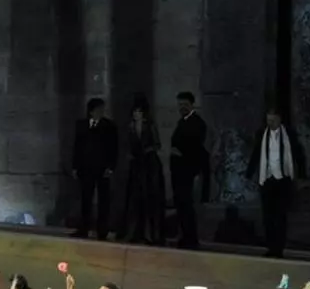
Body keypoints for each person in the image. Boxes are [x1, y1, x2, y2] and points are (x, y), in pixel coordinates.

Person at [245, 107, 305, 258]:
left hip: (283, 180)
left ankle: (279, 247)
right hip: (267, 179)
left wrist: (302, 173)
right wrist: (249, 173)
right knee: (268, 216)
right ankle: (271, 246)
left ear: (279, 119)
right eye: (268, 120)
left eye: (272, 120)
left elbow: (298, 152)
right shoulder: (262, 134)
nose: (270, 123)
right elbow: (256, 153)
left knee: (280, 215)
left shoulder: (289, 134)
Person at [71, 97, 118, 239]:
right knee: (86, 199)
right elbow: (77, 147)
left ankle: (102, 230)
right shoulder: (81, 125)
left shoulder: (109, 126)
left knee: (104, 200)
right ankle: (84, 228)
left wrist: (111, 167)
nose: (101, 112)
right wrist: (75, 167)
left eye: (102, 109)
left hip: (102, 168)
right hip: (86, 168)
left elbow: (114, 148)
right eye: (98, 109)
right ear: (91, 111)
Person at [121, 96, 165, 244]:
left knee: (150, 199)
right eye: (135, 111)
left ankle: (151, 234)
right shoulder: (130, 127)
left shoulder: (150, 125)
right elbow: (128, 145)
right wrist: (130, 154)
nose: (136, 114)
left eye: (139, 111)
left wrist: (147, 150)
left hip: (150, 166)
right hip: (136, 166)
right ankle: (134, 233)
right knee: (134, 199)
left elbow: (157, 144)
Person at [170, 91, 208, 249]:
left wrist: (181, 152)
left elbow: (196, 146)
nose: (182, 107)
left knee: (187, 205)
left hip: (187, 170)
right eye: (180, 105)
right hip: (179, 171)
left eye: (185, 104)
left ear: (192, 105)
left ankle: (190, 238)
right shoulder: (182, 122)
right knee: (181, 205)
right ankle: (185, 236)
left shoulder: (197, 123)